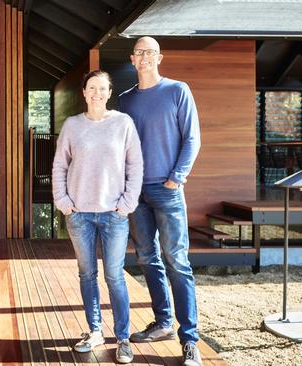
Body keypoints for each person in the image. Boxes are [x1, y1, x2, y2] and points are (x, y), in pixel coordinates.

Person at [118, 36, 203, 366]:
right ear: (132, 59)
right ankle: (163, 323)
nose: (145, 57)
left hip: (167, 190)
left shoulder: (177, 91)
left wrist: (176, 178)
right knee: (146, 258)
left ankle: (190, 339)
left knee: (176, 261)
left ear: (159, 57)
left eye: (150, 52)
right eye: (140, 53)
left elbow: (192, 138)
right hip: (136, 193)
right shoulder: (125, 101)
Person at [52, 70, 143, 364]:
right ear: (84, 91)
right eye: (92, 87)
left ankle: (123, 338)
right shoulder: (72, 125)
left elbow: (135, 166)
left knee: (115, 276)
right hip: (79, 215)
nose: (97, 93)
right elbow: (59, 168)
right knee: (87, 274)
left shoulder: (123, 123)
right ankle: (94, 331)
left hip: (114, 214)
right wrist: (63, 202)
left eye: (102, 88)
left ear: (109, 91)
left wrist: (127, 203)